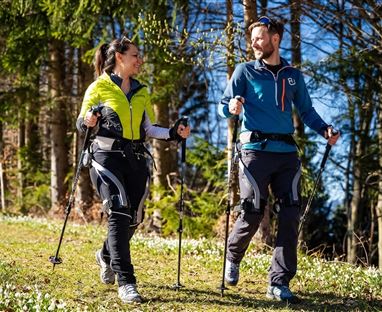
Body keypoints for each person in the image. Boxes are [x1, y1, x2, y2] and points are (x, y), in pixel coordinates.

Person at [218, 16, 340, 303]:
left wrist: (325, 130)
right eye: (252, 39)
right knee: (252, 211)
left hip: (286, 154)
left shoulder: (292, 75)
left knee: (290, 214)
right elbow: (225, 106)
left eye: (260, 37)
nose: (254, 43)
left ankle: (279, 283)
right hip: (254, 152)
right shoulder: (244, 71)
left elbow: (307, 111)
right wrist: (232, 106)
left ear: (276, 39)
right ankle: (233, 257)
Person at [76, 37, 190, 304]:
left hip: (135, 158)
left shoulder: (141, 90)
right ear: (119, 57)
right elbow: (82, 122)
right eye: (136, 55)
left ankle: (105, 255)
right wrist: (88, 120)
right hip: (104, 157)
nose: (140, 60)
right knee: (117, 210)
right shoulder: (99, 87)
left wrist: (174, 133)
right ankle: (126, 281)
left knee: (134, 218)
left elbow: (149, 129)